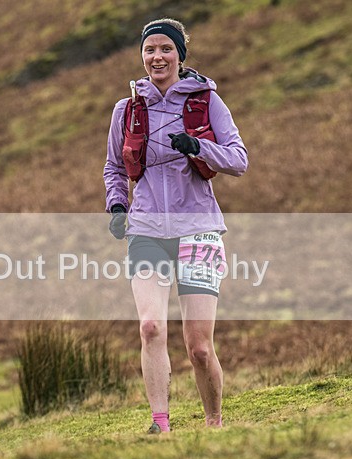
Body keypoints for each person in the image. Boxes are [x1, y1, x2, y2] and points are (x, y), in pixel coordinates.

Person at [103, 19, 248, 432]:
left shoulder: (206, 103)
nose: (157, 57)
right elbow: (114, 166)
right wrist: (117, 206)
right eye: (149, 50)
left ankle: (213, 421)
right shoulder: (127, 110)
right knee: (150, 327)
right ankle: (160, 423)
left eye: (166, 49)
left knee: (199, 347)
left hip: (198, 228)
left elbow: (238, 159)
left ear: (180, 56)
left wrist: (198, 146)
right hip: (146, 229)